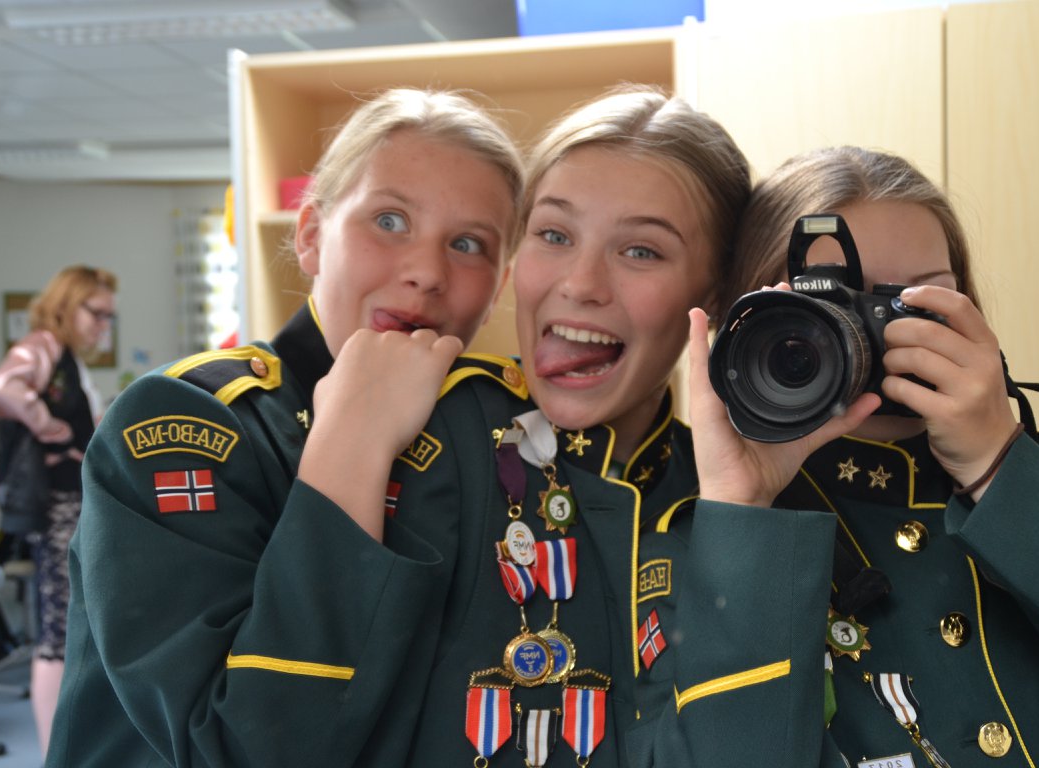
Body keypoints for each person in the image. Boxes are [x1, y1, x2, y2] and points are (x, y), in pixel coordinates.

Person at [46, 87, 524, 767]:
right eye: (389, 220)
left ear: (498, 286)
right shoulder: (187, 419)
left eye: (468, 244)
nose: (426, 273)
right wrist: (356, 438)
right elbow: (235, 746)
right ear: (310, 236)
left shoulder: (494, 442)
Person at [309, 84, 754, 766]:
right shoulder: (423, 442)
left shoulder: (737, 494)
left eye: (640, 251)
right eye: (554, 235)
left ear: (715, 295)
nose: (580, 283)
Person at [683, 145, 1039, 765]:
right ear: (749, 321)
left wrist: (999, 469)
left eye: (910, 304)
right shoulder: (709, 532)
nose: (872, 334)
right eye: (828, 306)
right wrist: (743, 508)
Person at [0, 264, 117, 756]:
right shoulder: (41, 346)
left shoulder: (66, 358)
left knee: (71, 627)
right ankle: (52, 754)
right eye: (96, 312)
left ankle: (65, 750)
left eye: (109, 316)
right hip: (55, 507)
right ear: (67, 304)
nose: (103, 325)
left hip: (71, 503)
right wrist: (45, 423)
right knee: (59, 632)